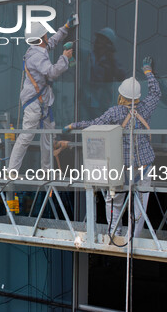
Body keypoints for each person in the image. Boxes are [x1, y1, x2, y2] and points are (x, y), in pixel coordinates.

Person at [63, 56, 161, 237]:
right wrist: (149, 73)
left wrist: (72, 126)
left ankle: (115, 234)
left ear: (121, 95)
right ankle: (133, 238)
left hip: (122, 167)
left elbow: (94, 124)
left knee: (114, 200)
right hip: (144, 165)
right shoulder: (145, 108)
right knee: (140, 204)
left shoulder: (115, 112)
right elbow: (156, 94)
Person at [7, 16, 77, 173]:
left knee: (47, 137)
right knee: (26, 136)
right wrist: (64, 58)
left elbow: (52, 42)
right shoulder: (37, 56)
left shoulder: (38, 49)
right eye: (45, 35)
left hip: (42, 102)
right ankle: (12, 170)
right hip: (34, 103)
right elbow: (52, 73)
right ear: (41, 38)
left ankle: (46, 171)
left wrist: (65, 28)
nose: (47, 37)